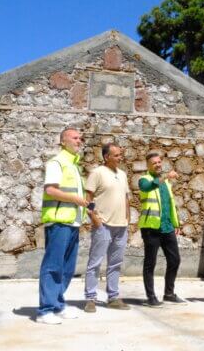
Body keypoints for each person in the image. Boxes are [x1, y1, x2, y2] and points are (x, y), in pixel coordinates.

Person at [36, 128, 90, 324]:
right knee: (53, 266)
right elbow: (50, 190)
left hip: (73, 221)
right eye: (75, 138)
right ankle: (45, 310)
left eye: (80, 138)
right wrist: (75, 199)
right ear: (63, 141)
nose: (79, 140)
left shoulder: (74, 166)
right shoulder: (56, 162)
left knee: (67, 268)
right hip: (59, 221)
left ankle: (57, 305)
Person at [83, 143, 131, 312]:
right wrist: (95, 219)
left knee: (115, 263)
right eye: (116, 155)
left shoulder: (123, 174)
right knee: (95, 262)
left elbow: (126, 197)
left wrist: (128, 217)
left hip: (121, 226)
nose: (120, 157)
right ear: (106, 157)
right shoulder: (97, 173)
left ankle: (113, 297)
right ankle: (90, 298)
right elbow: (88, 199)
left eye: (120, 154)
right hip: (103, 225)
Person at [138, 152, 187, 307]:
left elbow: (169, 204)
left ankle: (169, 293)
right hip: (151, 228)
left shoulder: (166, 184)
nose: (158, 164)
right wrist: (166, 177)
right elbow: (148, 187)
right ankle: (151, 297)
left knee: (175, 260)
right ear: (148, 165)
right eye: (154, 163)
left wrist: (176, 223)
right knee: (150, 263)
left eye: (159, 162)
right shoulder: (144, 180)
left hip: (167, 228)